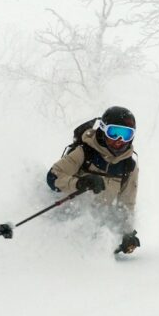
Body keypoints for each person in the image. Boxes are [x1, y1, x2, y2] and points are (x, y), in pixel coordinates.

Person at [46, 106, 141, 253]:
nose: (119, 140)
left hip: (97, 223)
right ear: (103, 130)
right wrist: (79, 183)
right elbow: (53, 177)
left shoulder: (128, 166)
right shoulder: (85, 152)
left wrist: (126, 233)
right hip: (67, 215)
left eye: (126, 134)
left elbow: (126, 204)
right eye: (113, 133)